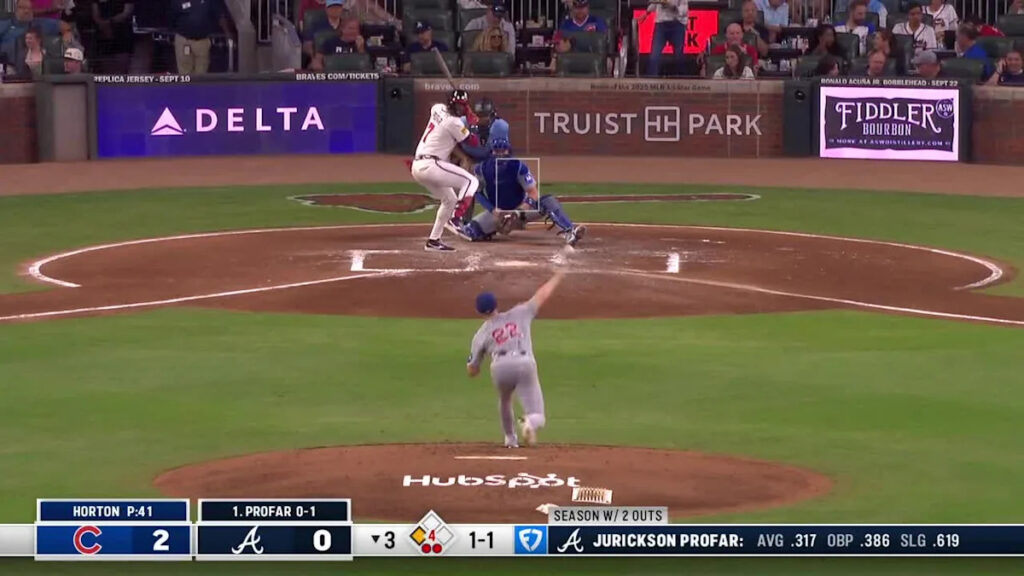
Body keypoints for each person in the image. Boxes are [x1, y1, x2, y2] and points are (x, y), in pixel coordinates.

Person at [467, 270, 566, 448]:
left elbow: (472, 370)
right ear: (496, 304)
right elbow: (542, 294)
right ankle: (530, 422)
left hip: (500, 367)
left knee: (505, 399)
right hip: (524, 362)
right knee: (538, 415)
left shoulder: (480, 334)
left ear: (479, 311)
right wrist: (558, 276)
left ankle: (510, 439)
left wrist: (476, 365)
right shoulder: (521, 312)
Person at [453, 138, 586, 246]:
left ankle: (569, 231)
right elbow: (477, 193)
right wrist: (493, 210)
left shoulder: (518, 167)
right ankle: (488, 230)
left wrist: (518, 212)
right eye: (497, 151)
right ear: (491, 152)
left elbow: (533, 192)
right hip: (497, 212)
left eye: (503, 151)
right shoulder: (481, 169)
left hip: (522, 211)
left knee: (548, 201)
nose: (500, 154)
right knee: (470, 231)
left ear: (509, 152)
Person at [410, 90, 480, 252]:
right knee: (471, 181)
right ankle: (456, 218)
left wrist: (466, 116)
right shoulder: (454, 123)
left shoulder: (438, 108)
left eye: (462, 106)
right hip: (431, 165)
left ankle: (433, 240)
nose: (460, 109)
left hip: (418, 166)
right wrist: (473, 124)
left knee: (450, 199)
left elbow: (438, 110)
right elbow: (473, 142)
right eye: (458, 106)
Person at [170, 0, 232, 75]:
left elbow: (220, 16)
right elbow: (172, 17)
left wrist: (228, 34)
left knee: (201, 72)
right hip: (184, 42)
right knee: (185, 72)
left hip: (202, 42)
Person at [1, 0, 60, 65]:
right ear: (16, 9)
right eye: (22, 8)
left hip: (28, 63)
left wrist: (67, 33)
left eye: (29, 8)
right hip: (4, 62)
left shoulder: (40, 23)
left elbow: (64, 26)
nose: (26, 11)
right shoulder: (4, 24)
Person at [641, 0, 688, 77]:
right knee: (654, 55)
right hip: (661, 24)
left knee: (679, 56)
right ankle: (651, 79)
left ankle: (682, 79)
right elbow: (654, 3)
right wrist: (646, 13)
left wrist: (672, 7)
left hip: (677, 24)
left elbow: (684, 11)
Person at [92, 0, 134, 74]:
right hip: (103, 34)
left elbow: (127, 12)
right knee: (107, 69)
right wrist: (102, 25)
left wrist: (110, 22)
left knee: (122, 67)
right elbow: (95, 15)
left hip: (122, 34)